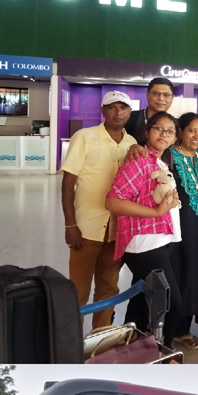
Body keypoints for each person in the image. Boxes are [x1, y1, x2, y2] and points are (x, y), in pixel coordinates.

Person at [104, 111, 185, 345]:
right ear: (147, 131)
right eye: (158, 128)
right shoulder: (139, 161)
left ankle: (134, 345)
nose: (163, 134)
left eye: (169, 131)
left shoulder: (159, 162)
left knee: (142, 298)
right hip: (144, 242)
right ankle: (165, 353)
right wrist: (156, 212)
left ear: (174, 138)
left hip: (161, 239)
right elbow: (113, 201)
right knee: (171, 302)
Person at [61, 92, 136, 330]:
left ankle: (99, 341)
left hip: (116, 232)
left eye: (123, 108)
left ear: (129, 112)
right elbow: (68, 183)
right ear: (102, 111)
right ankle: (71, 342)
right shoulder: (84, 137)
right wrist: (70, 225)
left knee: (108, 289)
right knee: (78, 290)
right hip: (86, 228)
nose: (118, 112)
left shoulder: (132, 143)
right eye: (112, 108)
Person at [161, 113, 198, 348]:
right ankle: (167, 331)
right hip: (176, 228)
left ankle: (184, 329)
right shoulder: (168, 156)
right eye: (192, 130)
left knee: (196, 275)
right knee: (177, 275)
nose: (197, 136)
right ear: (180, 131)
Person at [126, 77, 176, 145]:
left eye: (166, 95)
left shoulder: (176, 124)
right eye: (156, 93)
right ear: (147, 95)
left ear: (172, 98)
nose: (161, 98)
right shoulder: (129, 118)